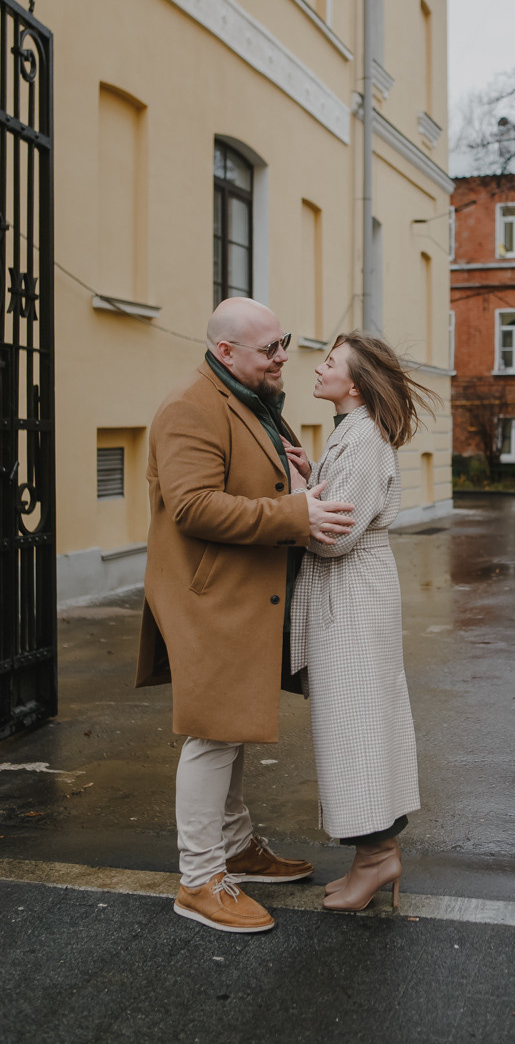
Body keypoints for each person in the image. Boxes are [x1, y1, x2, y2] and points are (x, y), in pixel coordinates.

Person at [135, 297, 355, 934]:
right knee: (210, 735)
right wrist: (295, 515)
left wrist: (297, 486)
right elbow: (194, 507)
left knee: (228, 729)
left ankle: (235, 846)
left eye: (283, 343)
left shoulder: (252, 400)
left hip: (243, 593)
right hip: (209, 598)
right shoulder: (190, 406)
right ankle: (199, 878)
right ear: (226, 352)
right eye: (270, 350)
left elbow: (250, 482)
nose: (284, 356)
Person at [288, 331, 440, 912]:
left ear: (352, 382)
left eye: (329, 362)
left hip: (350, 596)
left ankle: (377, 859)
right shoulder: (353, 433)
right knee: (355, 723)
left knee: (356, 725)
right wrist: (311, 475)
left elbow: (334, 536)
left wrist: (299, 503)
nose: (318, 367)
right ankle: (371, 858)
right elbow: (337, 509)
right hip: (350, 595)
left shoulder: (365, 437)